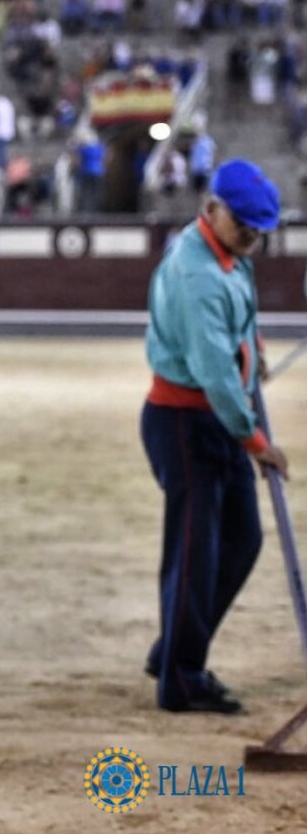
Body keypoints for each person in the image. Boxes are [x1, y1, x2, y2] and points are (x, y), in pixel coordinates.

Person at [141, 158, 290, 714]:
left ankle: (175, 648)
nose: (251, 238)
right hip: (187, 422)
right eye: (243, 225)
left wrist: (255, 353)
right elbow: (214, 374)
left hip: (212, 420)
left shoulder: (227, 253)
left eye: (259, 230)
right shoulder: (198, 272)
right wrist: (256, 443)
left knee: (240, 541)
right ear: (211, 209)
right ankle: (181, 679)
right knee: (194, 554)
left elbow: (239, 327)